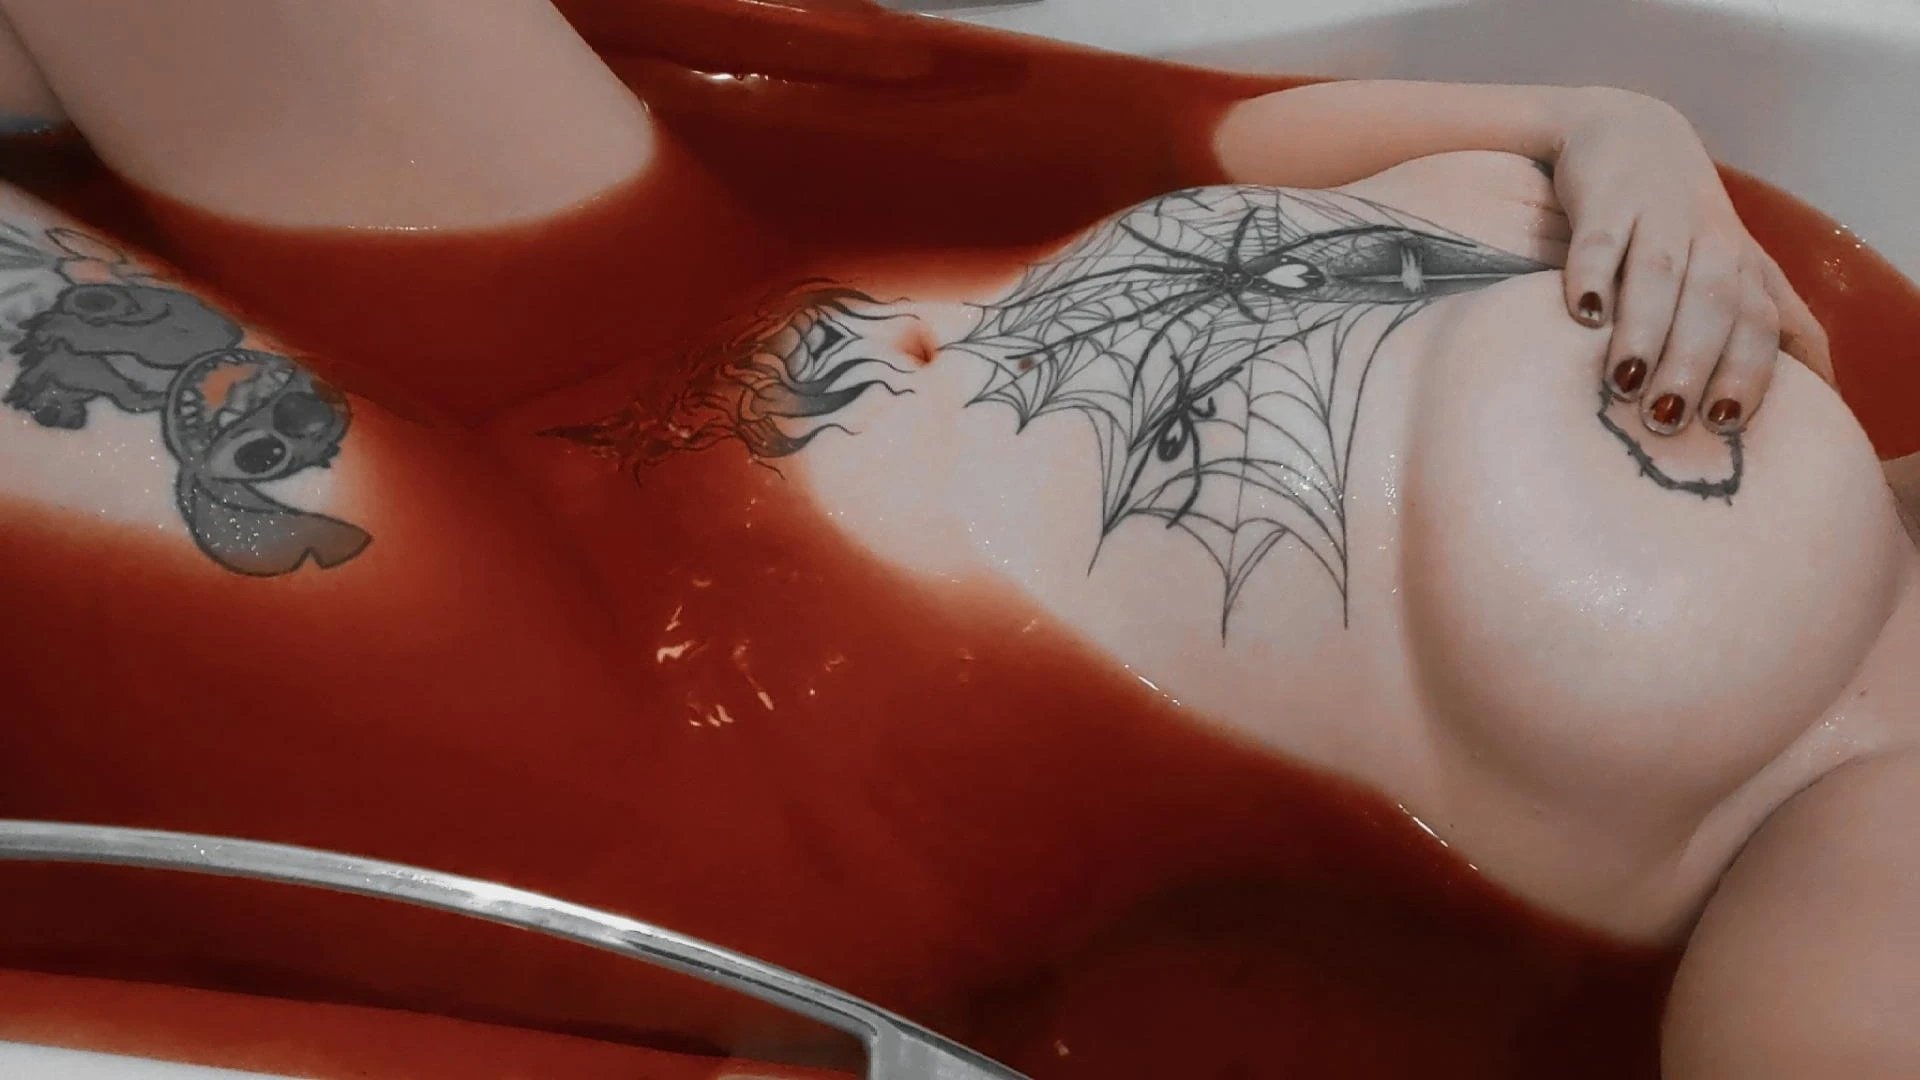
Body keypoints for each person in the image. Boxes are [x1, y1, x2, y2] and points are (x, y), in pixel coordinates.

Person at [0, 3, 1908, 1079]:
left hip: (643, 742)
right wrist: (1604, 127)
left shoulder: (1873, 794)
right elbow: (1177, 148)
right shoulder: (1797, 314)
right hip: (667, 315)